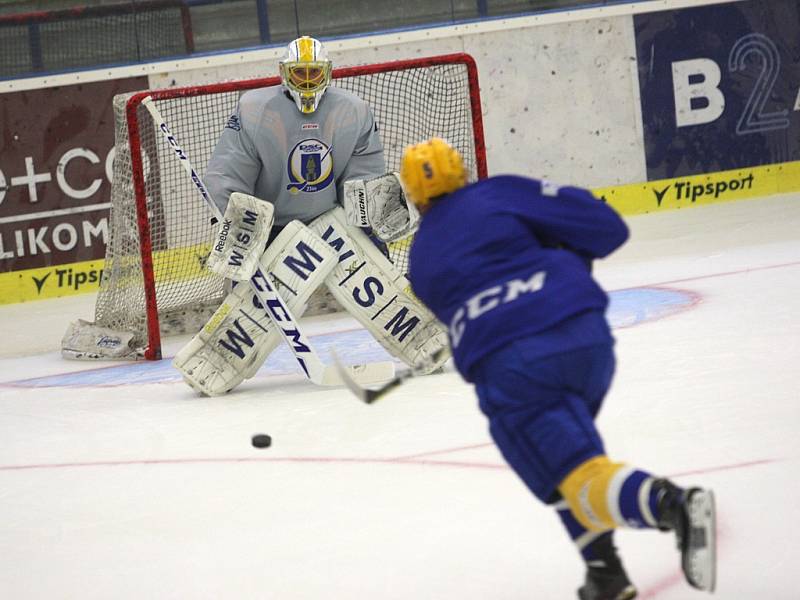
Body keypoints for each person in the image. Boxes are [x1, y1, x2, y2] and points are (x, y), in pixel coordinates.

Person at [400, 138, 717, 599]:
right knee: (566, 468)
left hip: (515, 367)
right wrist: (559, 249)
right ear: (462, 171)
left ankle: (672, 505)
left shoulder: (421, 259)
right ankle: (604, 573)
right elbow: (606, 228)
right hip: (586, 338)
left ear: (414, 196)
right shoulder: (501, 192)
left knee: (574, 475)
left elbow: (461, 298)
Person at [173, 37, 448, 396]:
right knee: (249, 299)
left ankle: (421, 335)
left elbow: (360, 184)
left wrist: (375, 213)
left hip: (332, 220)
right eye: (298, 73)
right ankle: (218, 358)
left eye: (313, 73)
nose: (306, 81)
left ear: (328, 72)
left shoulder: (353, 111)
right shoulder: (254, 110)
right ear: (283, 73)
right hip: (272, 227)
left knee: (380, 273)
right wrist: (235, 223)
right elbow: (228, 175)